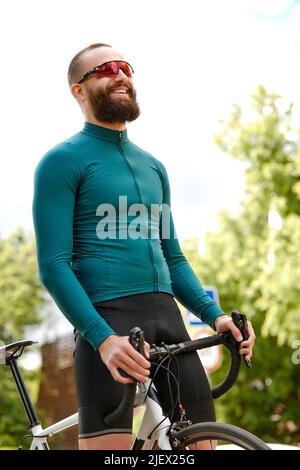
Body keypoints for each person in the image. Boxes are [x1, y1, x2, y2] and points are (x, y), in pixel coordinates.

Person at [32, 43, 256, 450]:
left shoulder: (154, 167)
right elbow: (53, 264)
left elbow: (173, 258)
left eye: (126, 68)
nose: (121, 74)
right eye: (105, 69)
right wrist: (102, 338)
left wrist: (216, 316)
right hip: (109, 322)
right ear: (78, 91)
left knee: (201, 443)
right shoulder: (61, 162)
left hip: (169, 322)